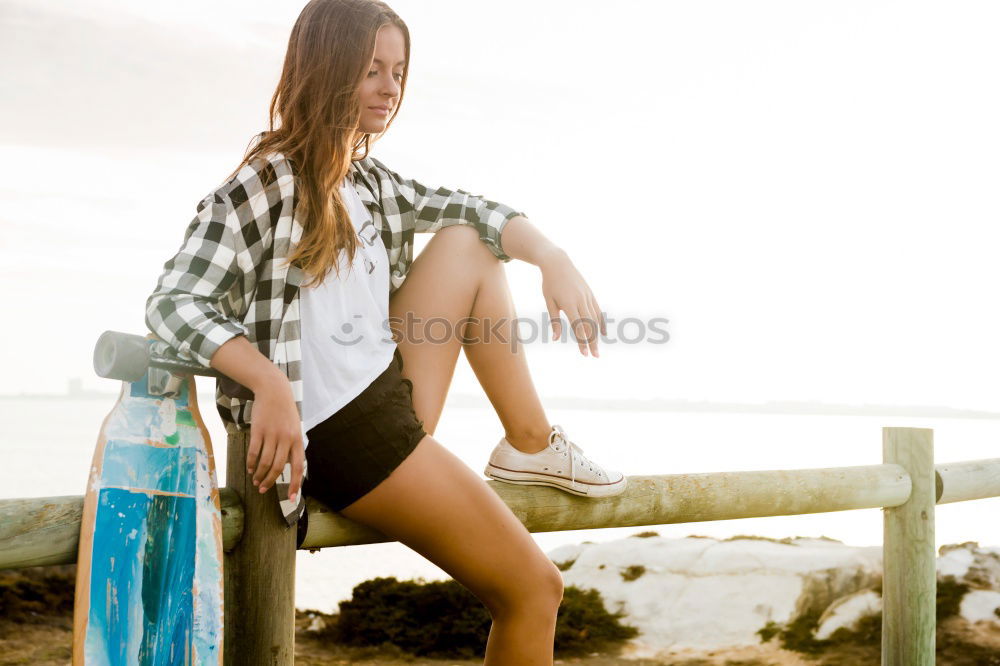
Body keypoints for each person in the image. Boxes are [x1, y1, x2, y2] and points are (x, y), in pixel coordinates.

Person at [144, 0, 626, 662]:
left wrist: (554, 257)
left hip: (387, 399)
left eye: (397, 71)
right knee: (534, 589)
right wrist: (268, 384)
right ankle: (529, 444)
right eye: (371, 69)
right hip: (340, 436)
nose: (389, 87)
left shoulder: (365, 182)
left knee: (467, 242)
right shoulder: (267, 181)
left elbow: (476, 211)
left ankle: (530, 443)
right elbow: (174, 302)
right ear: (326, 68)